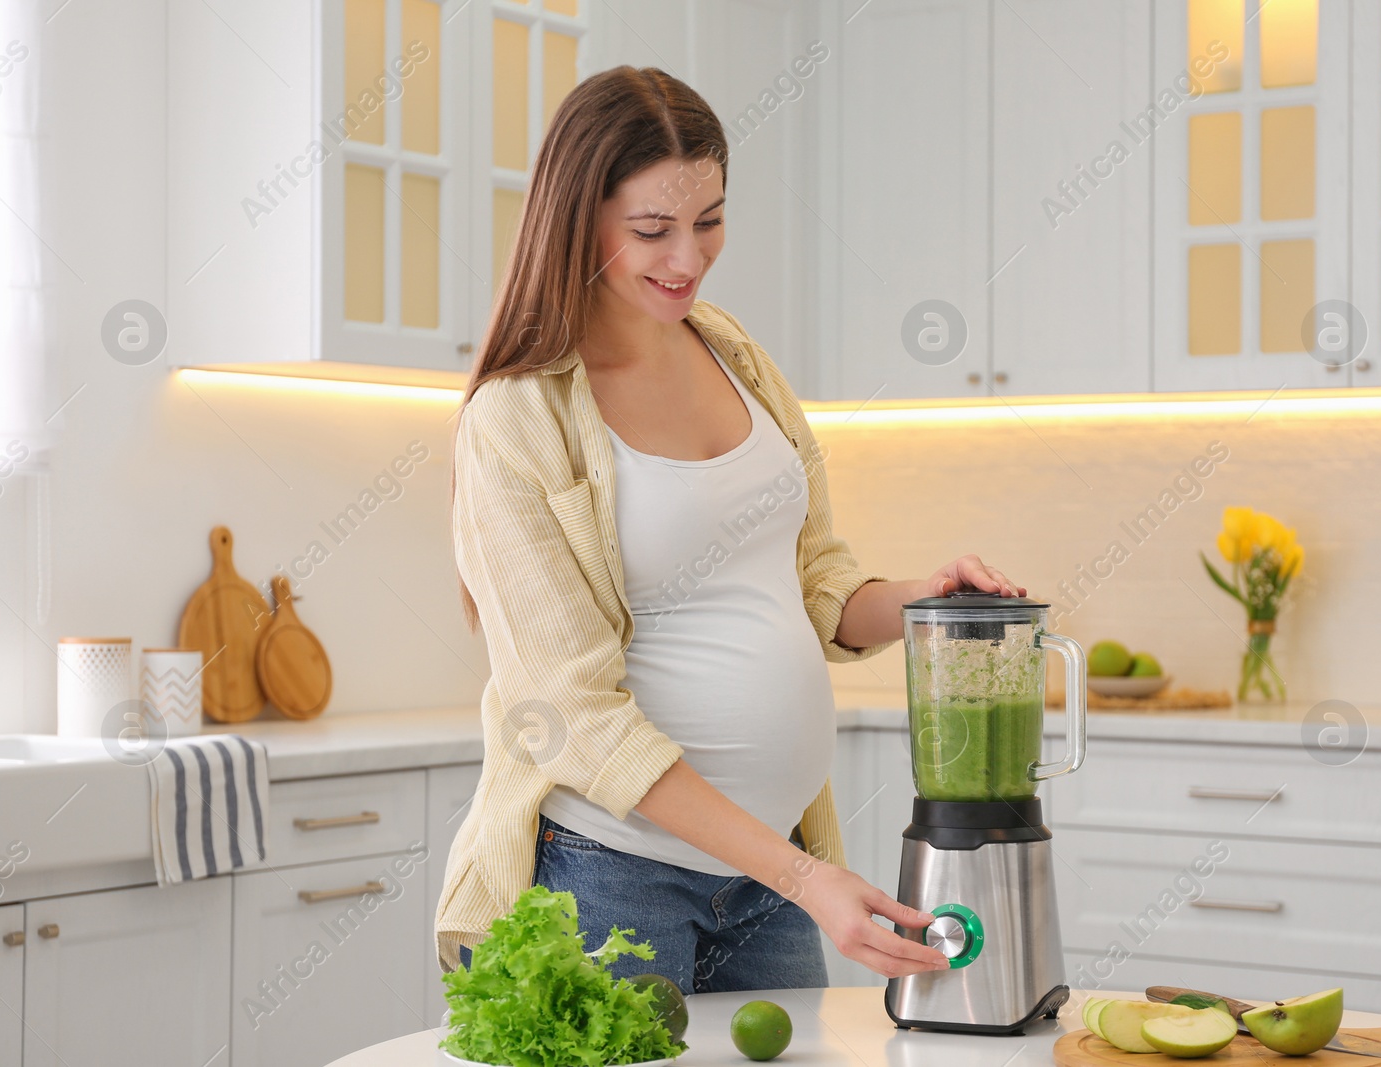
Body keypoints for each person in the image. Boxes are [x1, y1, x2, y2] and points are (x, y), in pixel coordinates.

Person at [436, 65, 1026, 993]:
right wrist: (802, 874)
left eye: (709, 219)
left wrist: (919, 599)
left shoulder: (732, 350)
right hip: (609, 877)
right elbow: (572, 714)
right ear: (576, 217)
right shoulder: (517, 419)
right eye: (652, 230)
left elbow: (816, 578)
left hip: (766, 882)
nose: (688, 256)